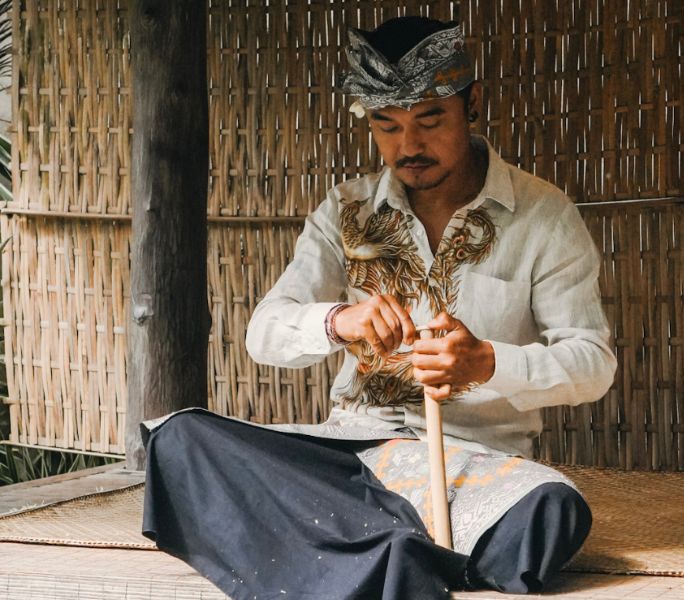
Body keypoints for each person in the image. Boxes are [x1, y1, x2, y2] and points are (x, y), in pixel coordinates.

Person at [141, 16, 617, 600]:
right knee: (179, 438)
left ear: (472, 105)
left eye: (429, 120)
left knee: (552, 511)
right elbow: (263, 333)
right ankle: (396, 553)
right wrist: (339, 321)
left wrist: (488, 362)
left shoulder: (544, 216)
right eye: (386, 125)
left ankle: (362, 553)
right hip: (349, 459)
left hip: (473, 469)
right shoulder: (346, 210)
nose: (408, 146)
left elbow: (592, 363)